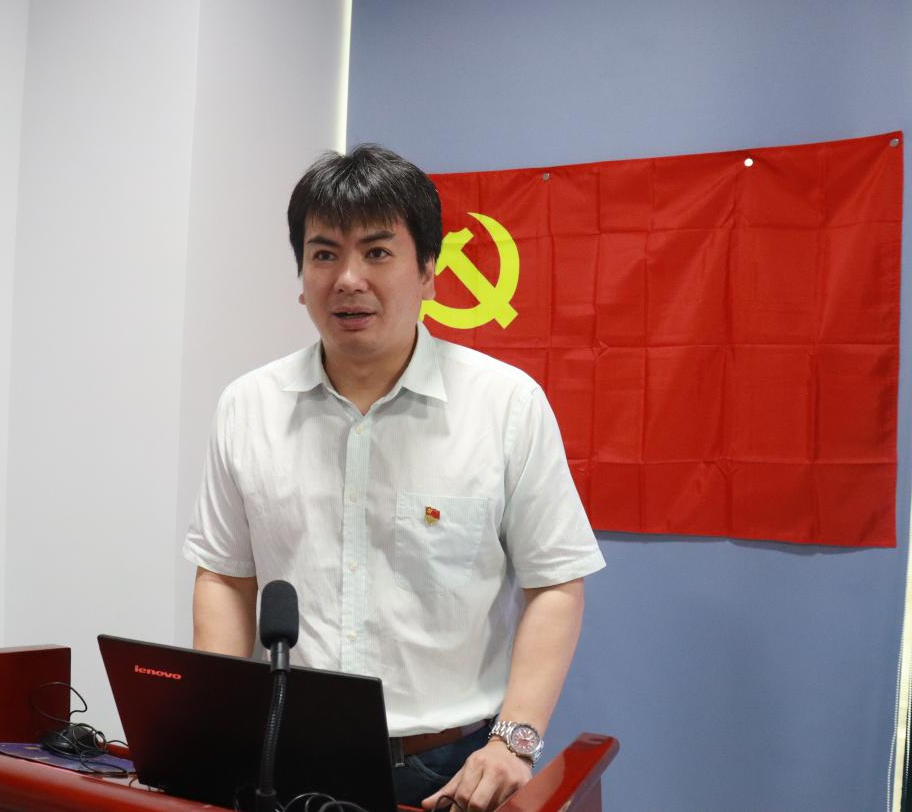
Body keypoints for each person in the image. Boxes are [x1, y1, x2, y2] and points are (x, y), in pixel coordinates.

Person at [183, 145, 605, 812]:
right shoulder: (248, 405)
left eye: (377, 253)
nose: (348, 279)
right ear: (301, 278)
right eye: (324, 254)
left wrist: (514, 742)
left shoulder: (505, 405)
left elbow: (554, 583)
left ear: (429, 272)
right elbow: (226, 576)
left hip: (448, 769)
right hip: (281, 759)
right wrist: (218, 726)